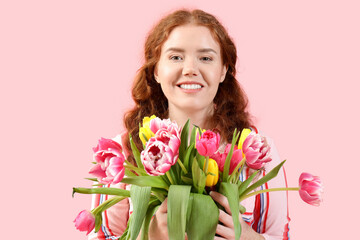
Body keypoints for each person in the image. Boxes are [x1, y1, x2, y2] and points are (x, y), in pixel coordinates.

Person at [88, 9, 290, 240]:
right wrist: (148, 237)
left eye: (206, 58)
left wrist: (250, 238)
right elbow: (101, 235)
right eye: (176, 57)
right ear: (156, 70)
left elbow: (282, 235)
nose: (190, 69)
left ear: (223, 70)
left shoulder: (257, 149)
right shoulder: (121, 152)